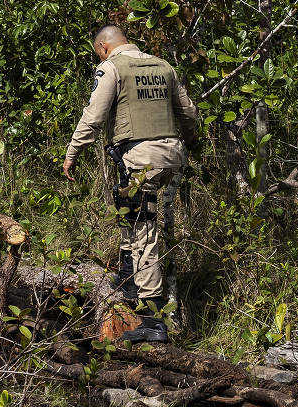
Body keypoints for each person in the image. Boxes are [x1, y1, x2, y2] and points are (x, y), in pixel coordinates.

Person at [62, 23, 199, 344]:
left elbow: (94, 117)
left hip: (141, 160)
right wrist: (191, 142)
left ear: (102, 48)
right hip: (172, 154)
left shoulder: (110, 68)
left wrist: (72, 152)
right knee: (126, 203)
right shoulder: (162, 65)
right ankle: (126, 275)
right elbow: (188, 112)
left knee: (143, 231)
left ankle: (153, 321)